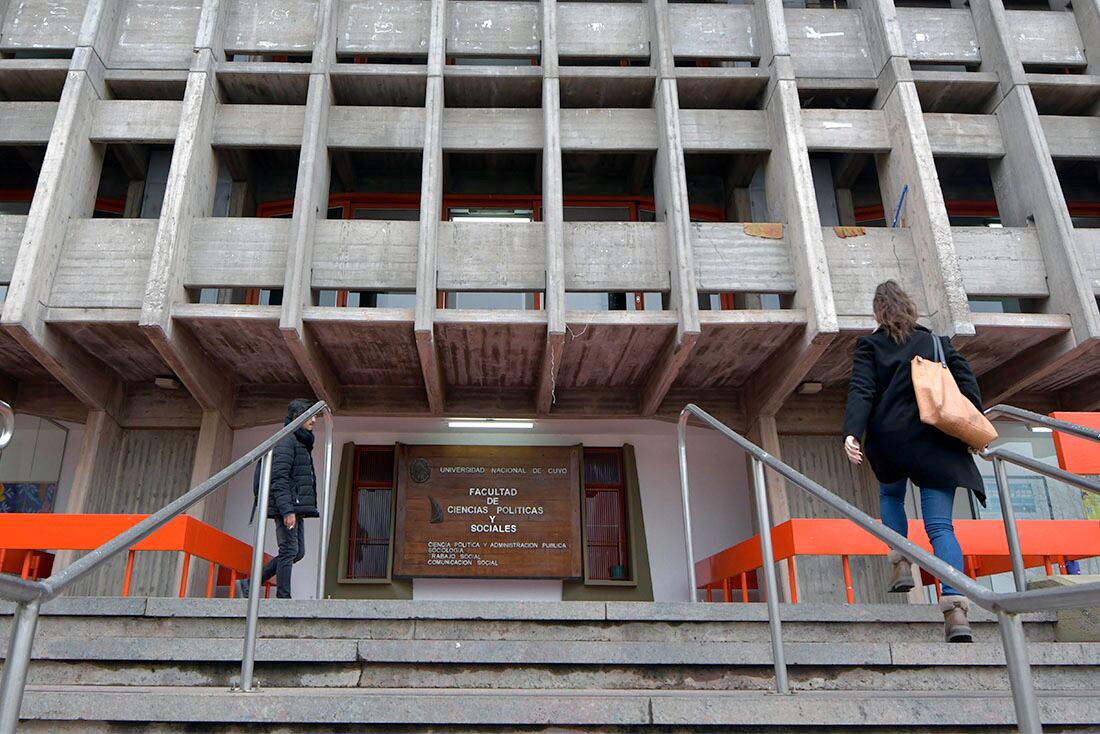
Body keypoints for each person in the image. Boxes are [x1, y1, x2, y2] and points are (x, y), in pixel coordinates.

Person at [842, 281, 986, 643]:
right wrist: (973, 426)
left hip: (891, 441)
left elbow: (862, 389)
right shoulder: (937, 342)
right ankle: (956, 611)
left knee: (891, 496)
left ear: (877, 313)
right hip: (936, 441)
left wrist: (852, 433)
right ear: (910, 308)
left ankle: (901, 561)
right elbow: (966, 382)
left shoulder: (869, 346)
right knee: (941, 528)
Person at [238, 399, 319, 599]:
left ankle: (248, 584)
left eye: (315, 415)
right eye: (310, 415)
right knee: (289, 549)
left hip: (295, 506)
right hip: (287, 506)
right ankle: (283, 597)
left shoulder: (300, 441)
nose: (314, 420)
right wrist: (287, 510)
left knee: (297, 552)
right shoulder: (287, 441)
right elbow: (279, 478)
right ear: (297, 417)